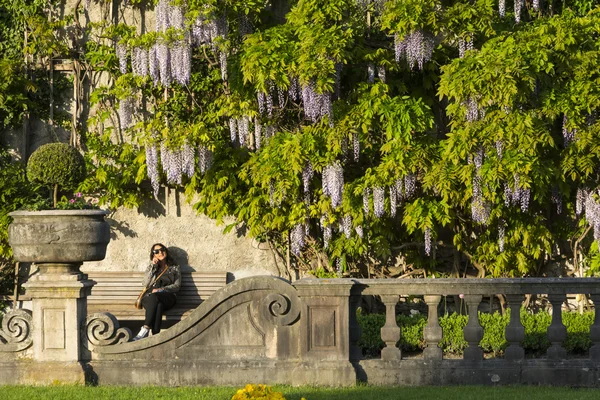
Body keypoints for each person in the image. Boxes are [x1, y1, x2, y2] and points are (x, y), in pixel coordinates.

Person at [133, 243, 181, 341]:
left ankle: (145, 329)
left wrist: (161, 289)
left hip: (167, 297)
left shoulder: (175, 268)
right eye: (156, 251)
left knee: (157, 298)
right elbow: (145, 284)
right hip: (150, 297)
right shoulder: (152, 267)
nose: (160, 252)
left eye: (162, 249)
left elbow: (177, 286)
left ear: (166, 251)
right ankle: (155, 336)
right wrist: (152, 267)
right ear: (153, 255)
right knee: (158, 304)